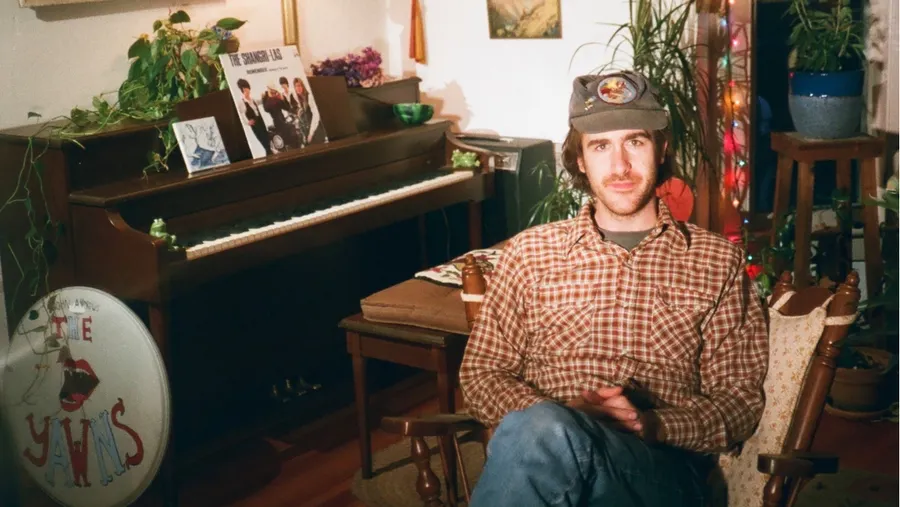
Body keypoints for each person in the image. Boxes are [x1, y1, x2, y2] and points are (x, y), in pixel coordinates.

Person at [458, 70, 769, 507]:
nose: (620, 166)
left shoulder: (717, 261)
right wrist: (562, 418)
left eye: (635, 142)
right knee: (545, 433)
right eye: (601, 146)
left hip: (659, 473)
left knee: (542, 435)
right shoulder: (529, 254)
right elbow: (481, 374)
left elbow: (739, 402)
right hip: (542, 454)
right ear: (580, 160)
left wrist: (653, 425)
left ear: (661, 149)